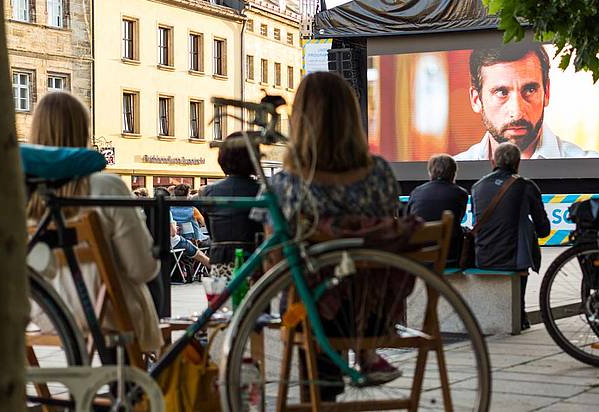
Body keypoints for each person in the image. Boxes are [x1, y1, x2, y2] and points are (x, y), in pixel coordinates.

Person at [268, 71, 403, 396]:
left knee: (307, 295)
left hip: (314, 316)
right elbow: (387, 232)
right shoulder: (380, 174)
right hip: (373, 311)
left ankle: (321, 395)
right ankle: (365, 357)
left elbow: (275, 262)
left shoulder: (287, 185)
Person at [26, 91, 163, 353]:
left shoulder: (24, 199)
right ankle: (128, 384)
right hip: (108, 315)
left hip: (49, 314)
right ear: (83, 132)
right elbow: (142, 269)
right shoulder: (107, 187)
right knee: (138, 286)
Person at [454, 42, 599, 160]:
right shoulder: (456, 169)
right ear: (476, 99)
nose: (517, 113)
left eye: (530, 90)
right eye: (501, 92)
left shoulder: (593, 166)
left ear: (547, 92)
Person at [470, 142, 551, 330]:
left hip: (483, 256)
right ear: (518, 163)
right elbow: (543, 230)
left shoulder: (477, 187)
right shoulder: (526, 186)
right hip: (515, 260)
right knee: (524, 228)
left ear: (493, 162)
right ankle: (520, 314)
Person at [199, 132, 263, 268]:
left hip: (221, 260)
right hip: (255, 259)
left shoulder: (209, 192)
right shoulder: (262, 191)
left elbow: (211, 230)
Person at [406, 154, 468, 266]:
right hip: (449, 256)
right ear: (453, 173)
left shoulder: (416, 192)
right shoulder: (460, 193)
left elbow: (408, 219)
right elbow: (458, 220)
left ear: (430, 172)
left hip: (419, 256)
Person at [153, 187, 211, 273]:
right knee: (210, 243)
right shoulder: (192, 209)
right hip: (182, 241)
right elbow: (203, 223)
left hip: (156, 244)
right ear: (187, 195)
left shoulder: (166, 209)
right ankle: (214, 269)